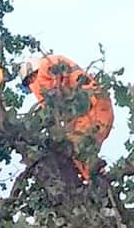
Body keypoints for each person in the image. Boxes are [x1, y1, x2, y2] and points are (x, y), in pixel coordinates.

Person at [19, 54, 114, 182]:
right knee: (77, 152)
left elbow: (56, 92)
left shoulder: (46, 66)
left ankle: (94, 177)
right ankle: (94, 180)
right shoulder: (51, 71)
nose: (32, 85)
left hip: (93, 107)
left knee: (75, 146)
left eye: (31, 79)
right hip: (93, 110)